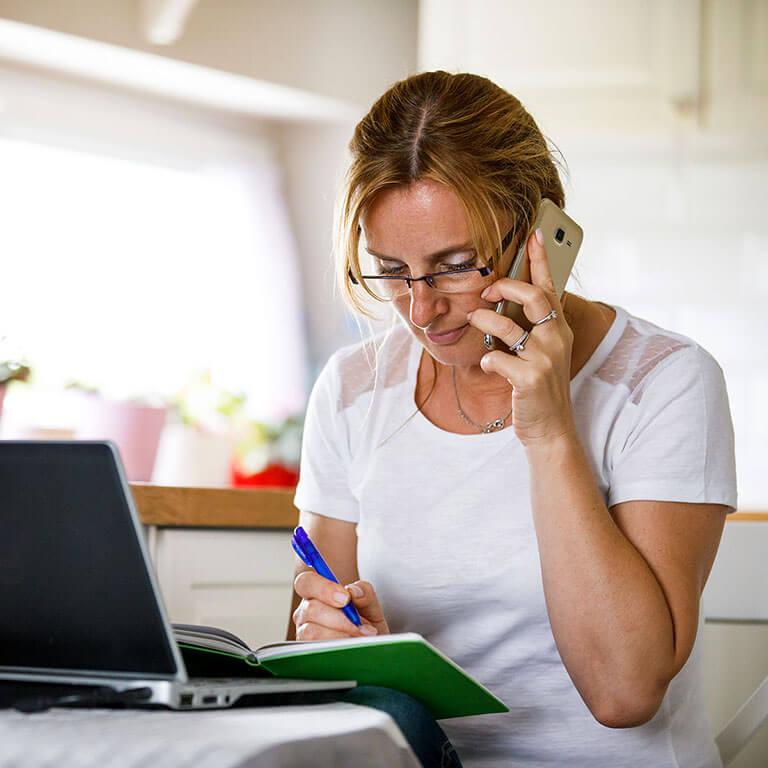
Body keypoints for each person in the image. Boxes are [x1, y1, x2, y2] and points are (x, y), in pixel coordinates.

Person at [288, 71, 737, 768]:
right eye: (391, 270)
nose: (420, 309)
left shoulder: (662, 381)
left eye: (454, 265)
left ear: (541, 237)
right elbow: (314, 654)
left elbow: (624, 694)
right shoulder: (352, 389)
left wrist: (551, 430)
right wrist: (340, 645)